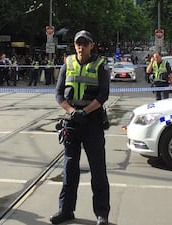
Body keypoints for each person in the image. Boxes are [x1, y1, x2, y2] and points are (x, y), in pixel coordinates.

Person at [52, 30, 110, 225]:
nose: (81, 46)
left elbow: (103, 95)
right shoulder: (67, 63)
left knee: (98, 170)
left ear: (91, 45)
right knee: (69, 169)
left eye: (85, 43)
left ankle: (102, 214)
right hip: (72, 122)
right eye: (78, 43)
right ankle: (66, 211)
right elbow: (59, 94)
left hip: (92, 122)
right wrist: (71, 111)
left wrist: (85, 111)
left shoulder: (100, 65)